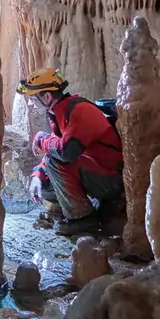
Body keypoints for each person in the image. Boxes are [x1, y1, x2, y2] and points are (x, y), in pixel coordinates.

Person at [17, 68, 125, 237]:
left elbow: (65, 152)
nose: (30, 103)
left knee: (55, 162)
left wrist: (40, 138)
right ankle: (68, 211)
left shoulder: (80, 111)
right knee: (44, 184)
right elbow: (55, 148)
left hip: (113, 179)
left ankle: (83, 220)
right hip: (95, 172)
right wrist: (37, 174)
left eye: (32, 98)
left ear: (47, 97)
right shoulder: (59, 113)